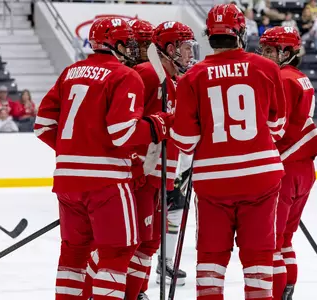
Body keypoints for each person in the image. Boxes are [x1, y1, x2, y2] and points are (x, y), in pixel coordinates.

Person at [34, 17, 173, 300]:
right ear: (117, 44)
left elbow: (42, 125)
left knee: (73, 255)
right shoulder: (125, 75)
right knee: (118, 251)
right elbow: (122, 133)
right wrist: (160, 124)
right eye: (130, 43)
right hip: (107, 181)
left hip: (66, 181)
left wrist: (74, 154)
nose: (135, 49)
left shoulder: (71, 71)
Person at [171, 4, 287, 299]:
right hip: (261, 176)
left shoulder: (191, 77)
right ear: (240, 33)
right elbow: (277, 128)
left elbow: (184, 141)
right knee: (259, 258)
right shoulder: (268, 68)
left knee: (211, 259)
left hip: (214, 181)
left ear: (209, 34)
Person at [125, 20, 196, 300]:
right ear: (169, 48)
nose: (191, 53)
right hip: (142, 173)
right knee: (135, 240)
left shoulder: (175, 81)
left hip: (162, 174)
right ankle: (126, 293)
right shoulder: (145, 74)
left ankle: (138, 291)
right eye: (186, 47)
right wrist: (133, 165)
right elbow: (124, 124)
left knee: (151, 241)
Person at [259, 26, 317, 300]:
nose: (262, 55)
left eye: (268, 50)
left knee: (271, 243)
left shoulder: (283, 79)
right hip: (303, 168)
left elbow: (276, 126)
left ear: (286, 52)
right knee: (285, 240)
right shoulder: (300, 78)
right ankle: (286, 292)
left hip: (284, 167)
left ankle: (275, 295)